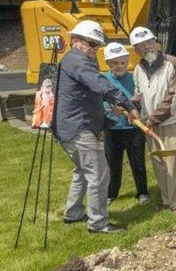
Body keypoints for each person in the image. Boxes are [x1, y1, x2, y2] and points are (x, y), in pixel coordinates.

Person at [55, 20, 138, 233]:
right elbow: (99, 84)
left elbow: (89, 94)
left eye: (97, 46)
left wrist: (110, 109)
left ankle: (73, 214)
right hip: (77, 128)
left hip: (71, 126)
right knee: (99, 174)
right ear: (75, 41)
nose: (94, 49)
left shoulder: (74, 61)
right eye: (91, 44)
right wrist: (127, 103)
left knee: (82, 172)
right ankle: (98, 223)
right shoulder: (78, 62)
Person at [130, 27, 176, 212]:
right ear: (135, 50)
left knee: (173, 162)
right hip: (151, 124)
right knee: (159, 163)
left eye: (148, 42)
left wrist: (154, 118)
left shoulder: (172, 63)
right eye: (140, 45)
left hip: (172, 121)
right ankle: (167, 200)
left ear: (156, 43)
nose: (146, 47)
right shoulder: (138, 69)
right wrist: (131, 107)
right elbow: (138, 94)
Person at [101, 42, 149, 205]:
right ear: (107, 63)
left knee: (138, 162)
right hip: (113, 129)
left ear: (128, 61)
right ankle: (111, 193)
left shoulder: (134, 77)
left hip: (134, 129)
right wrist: (108, 109)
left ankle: (142, 192)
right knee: (113, 164)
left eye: (123, 62)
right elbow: (99, 102)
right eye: (115, 63)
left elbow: (141, 98)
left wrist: (135, 107)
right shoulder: (103, 80)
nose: (119, 66)